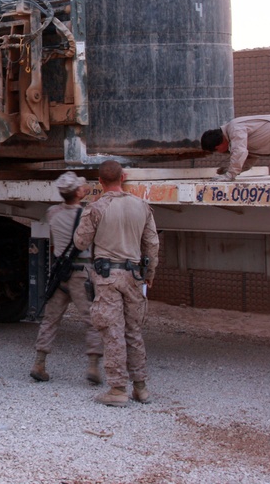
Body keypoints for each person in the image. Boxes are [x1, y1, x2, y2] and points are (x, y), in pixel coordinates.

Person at [74, 160, 160, 407]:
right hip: (134, 276)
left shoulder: (96, 208)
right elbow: (152, 244)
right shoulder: (142, 206)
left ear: (99, 182)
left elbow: (80, 242)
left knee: (112, 333)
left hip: (107, 276)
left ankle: (118, 389)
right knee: (133, 331)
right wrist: (150, 273)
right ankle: (141, 388)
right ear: (123, 177)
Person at [30, 172, 103, 386]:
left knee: (50, 320)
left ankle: (39, 363)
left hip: (60, 273)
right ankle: (92, 366)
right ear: (78, 192)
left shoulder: (52, 212)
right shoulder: (87, 214)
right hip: (82, 272)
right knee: (92, 321)